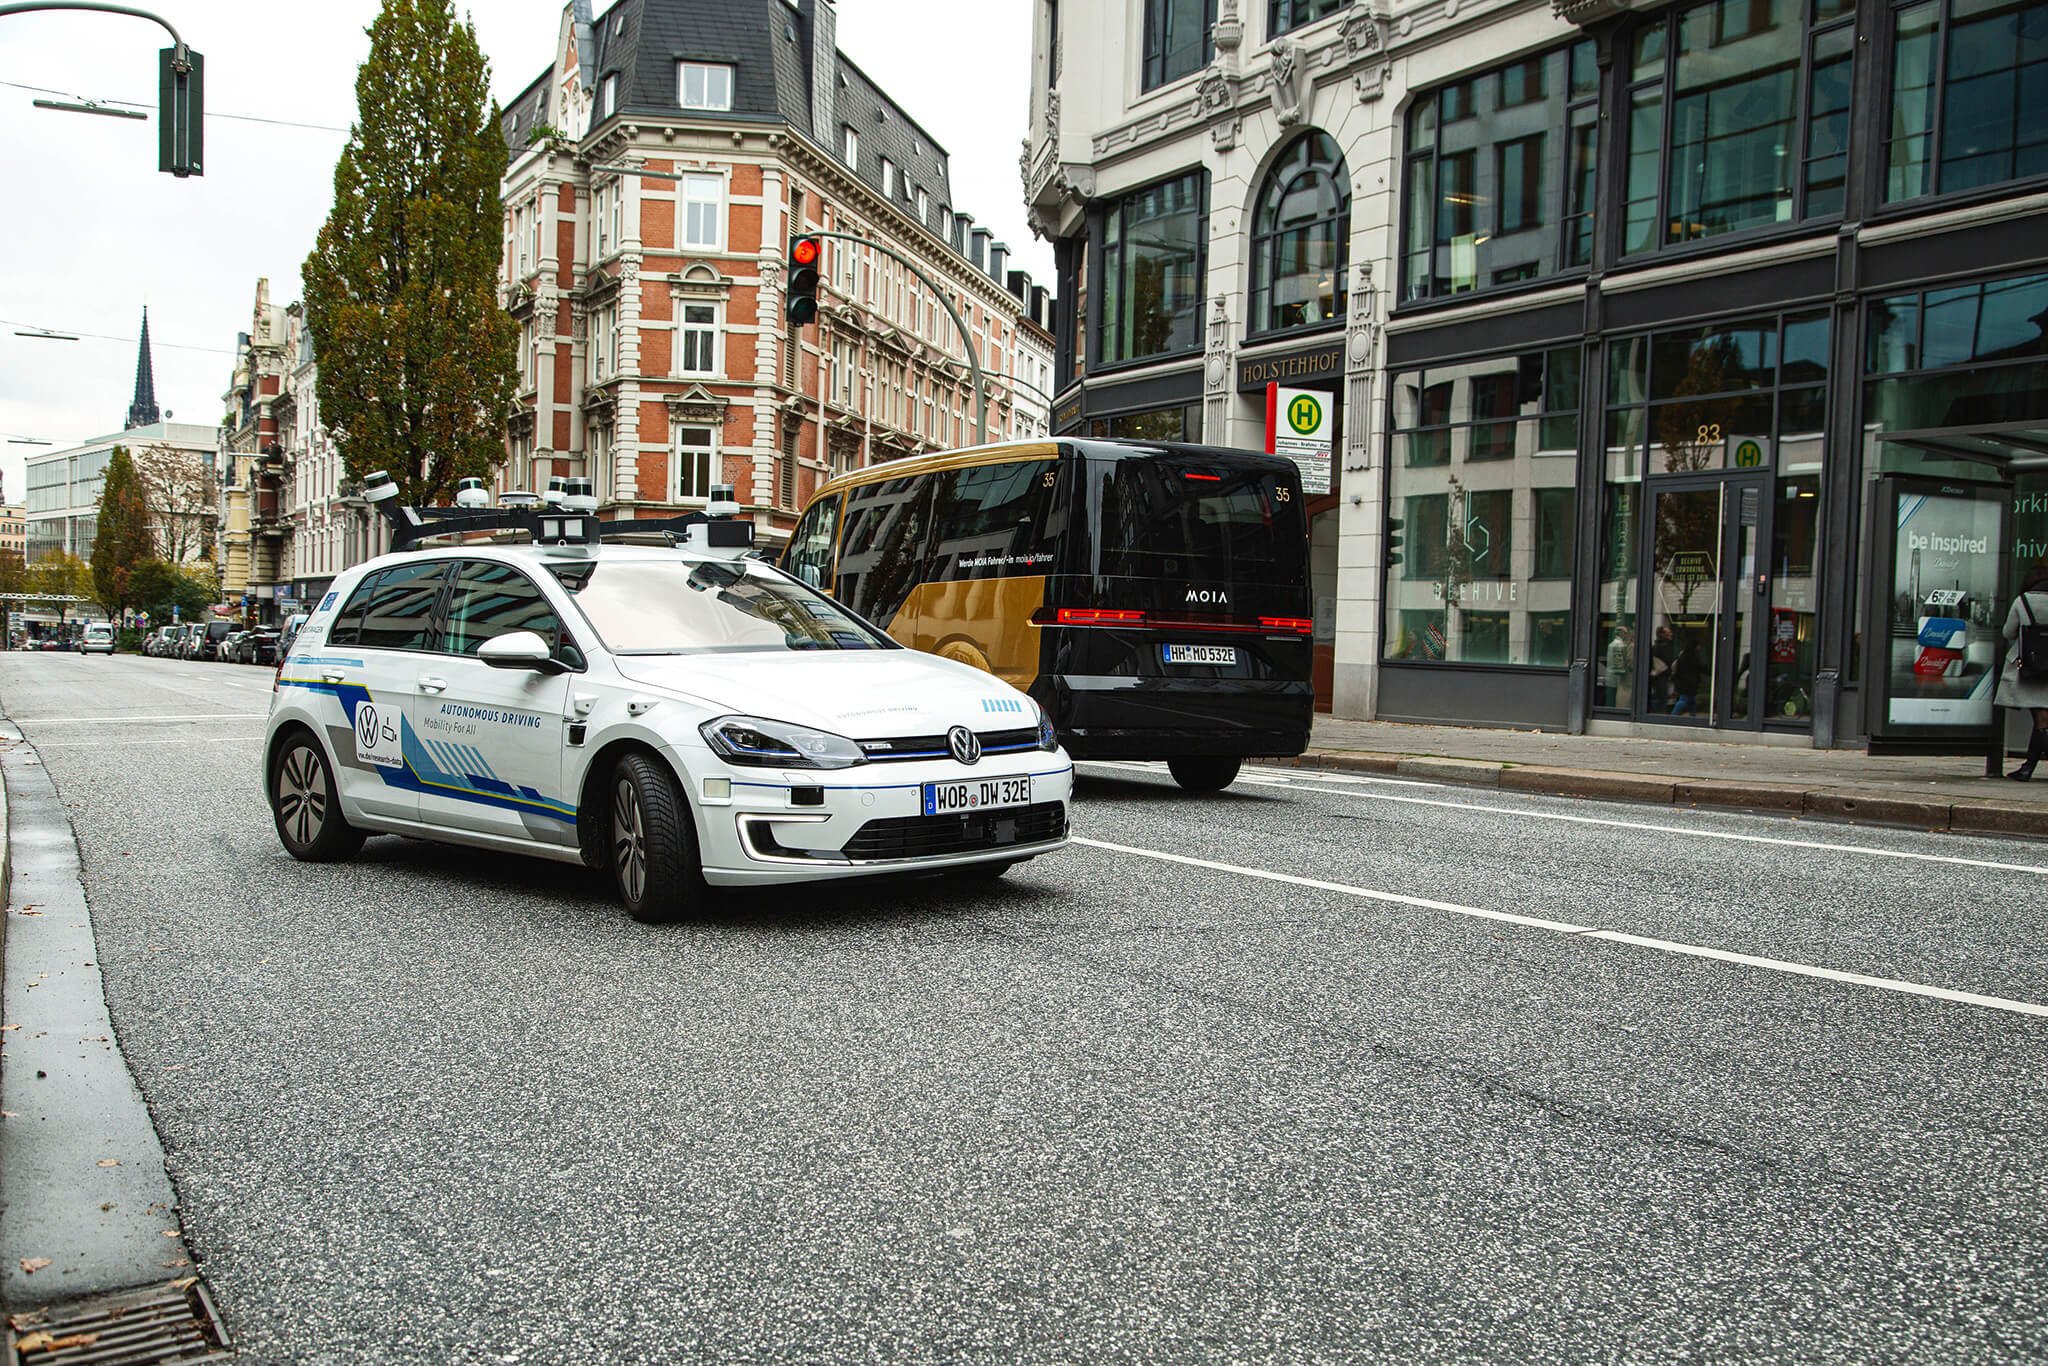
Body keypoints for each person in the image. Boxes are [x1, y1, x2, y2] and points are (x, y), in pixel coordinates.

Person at [1996, 564, 2048, 780]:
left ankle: (2027, 769)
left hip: (2029, 666)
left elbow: (2008, 632)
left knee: (2042, 720)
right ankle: (2027, 767)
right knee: (2043, 719)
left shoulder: (2023, 601)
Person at [1670, 638, 1705, 716]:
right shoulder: (1693, 656)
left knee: (1691, 700)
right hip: (1690, 682)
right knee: (1685, 699)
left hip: (1682, 681)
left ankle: (1693, 715)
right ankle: (1673, 715)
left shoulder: (1682, 655)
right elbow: (1700, 667)